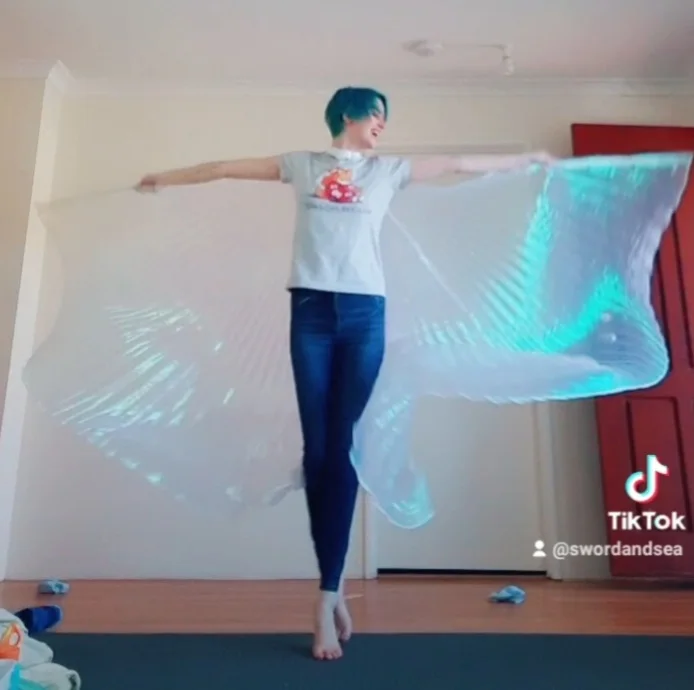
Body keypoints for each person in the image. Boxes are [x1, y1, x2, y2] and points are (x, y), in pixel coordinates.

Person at [136, 86, 554, 660]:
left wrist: (528, 159)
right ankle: (329, 592)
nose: (382, 124)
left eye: (385, 117)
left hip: (364, 316)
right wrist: (162, 177)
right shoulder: (301, 164)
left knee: (344, 449)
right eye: (376, 114)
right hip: (310, 312)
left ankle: (327, 595)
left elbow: (458, 163)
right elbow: (223, 167)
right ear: (348, 115)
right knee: (319, 453)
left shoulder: (390, 171)